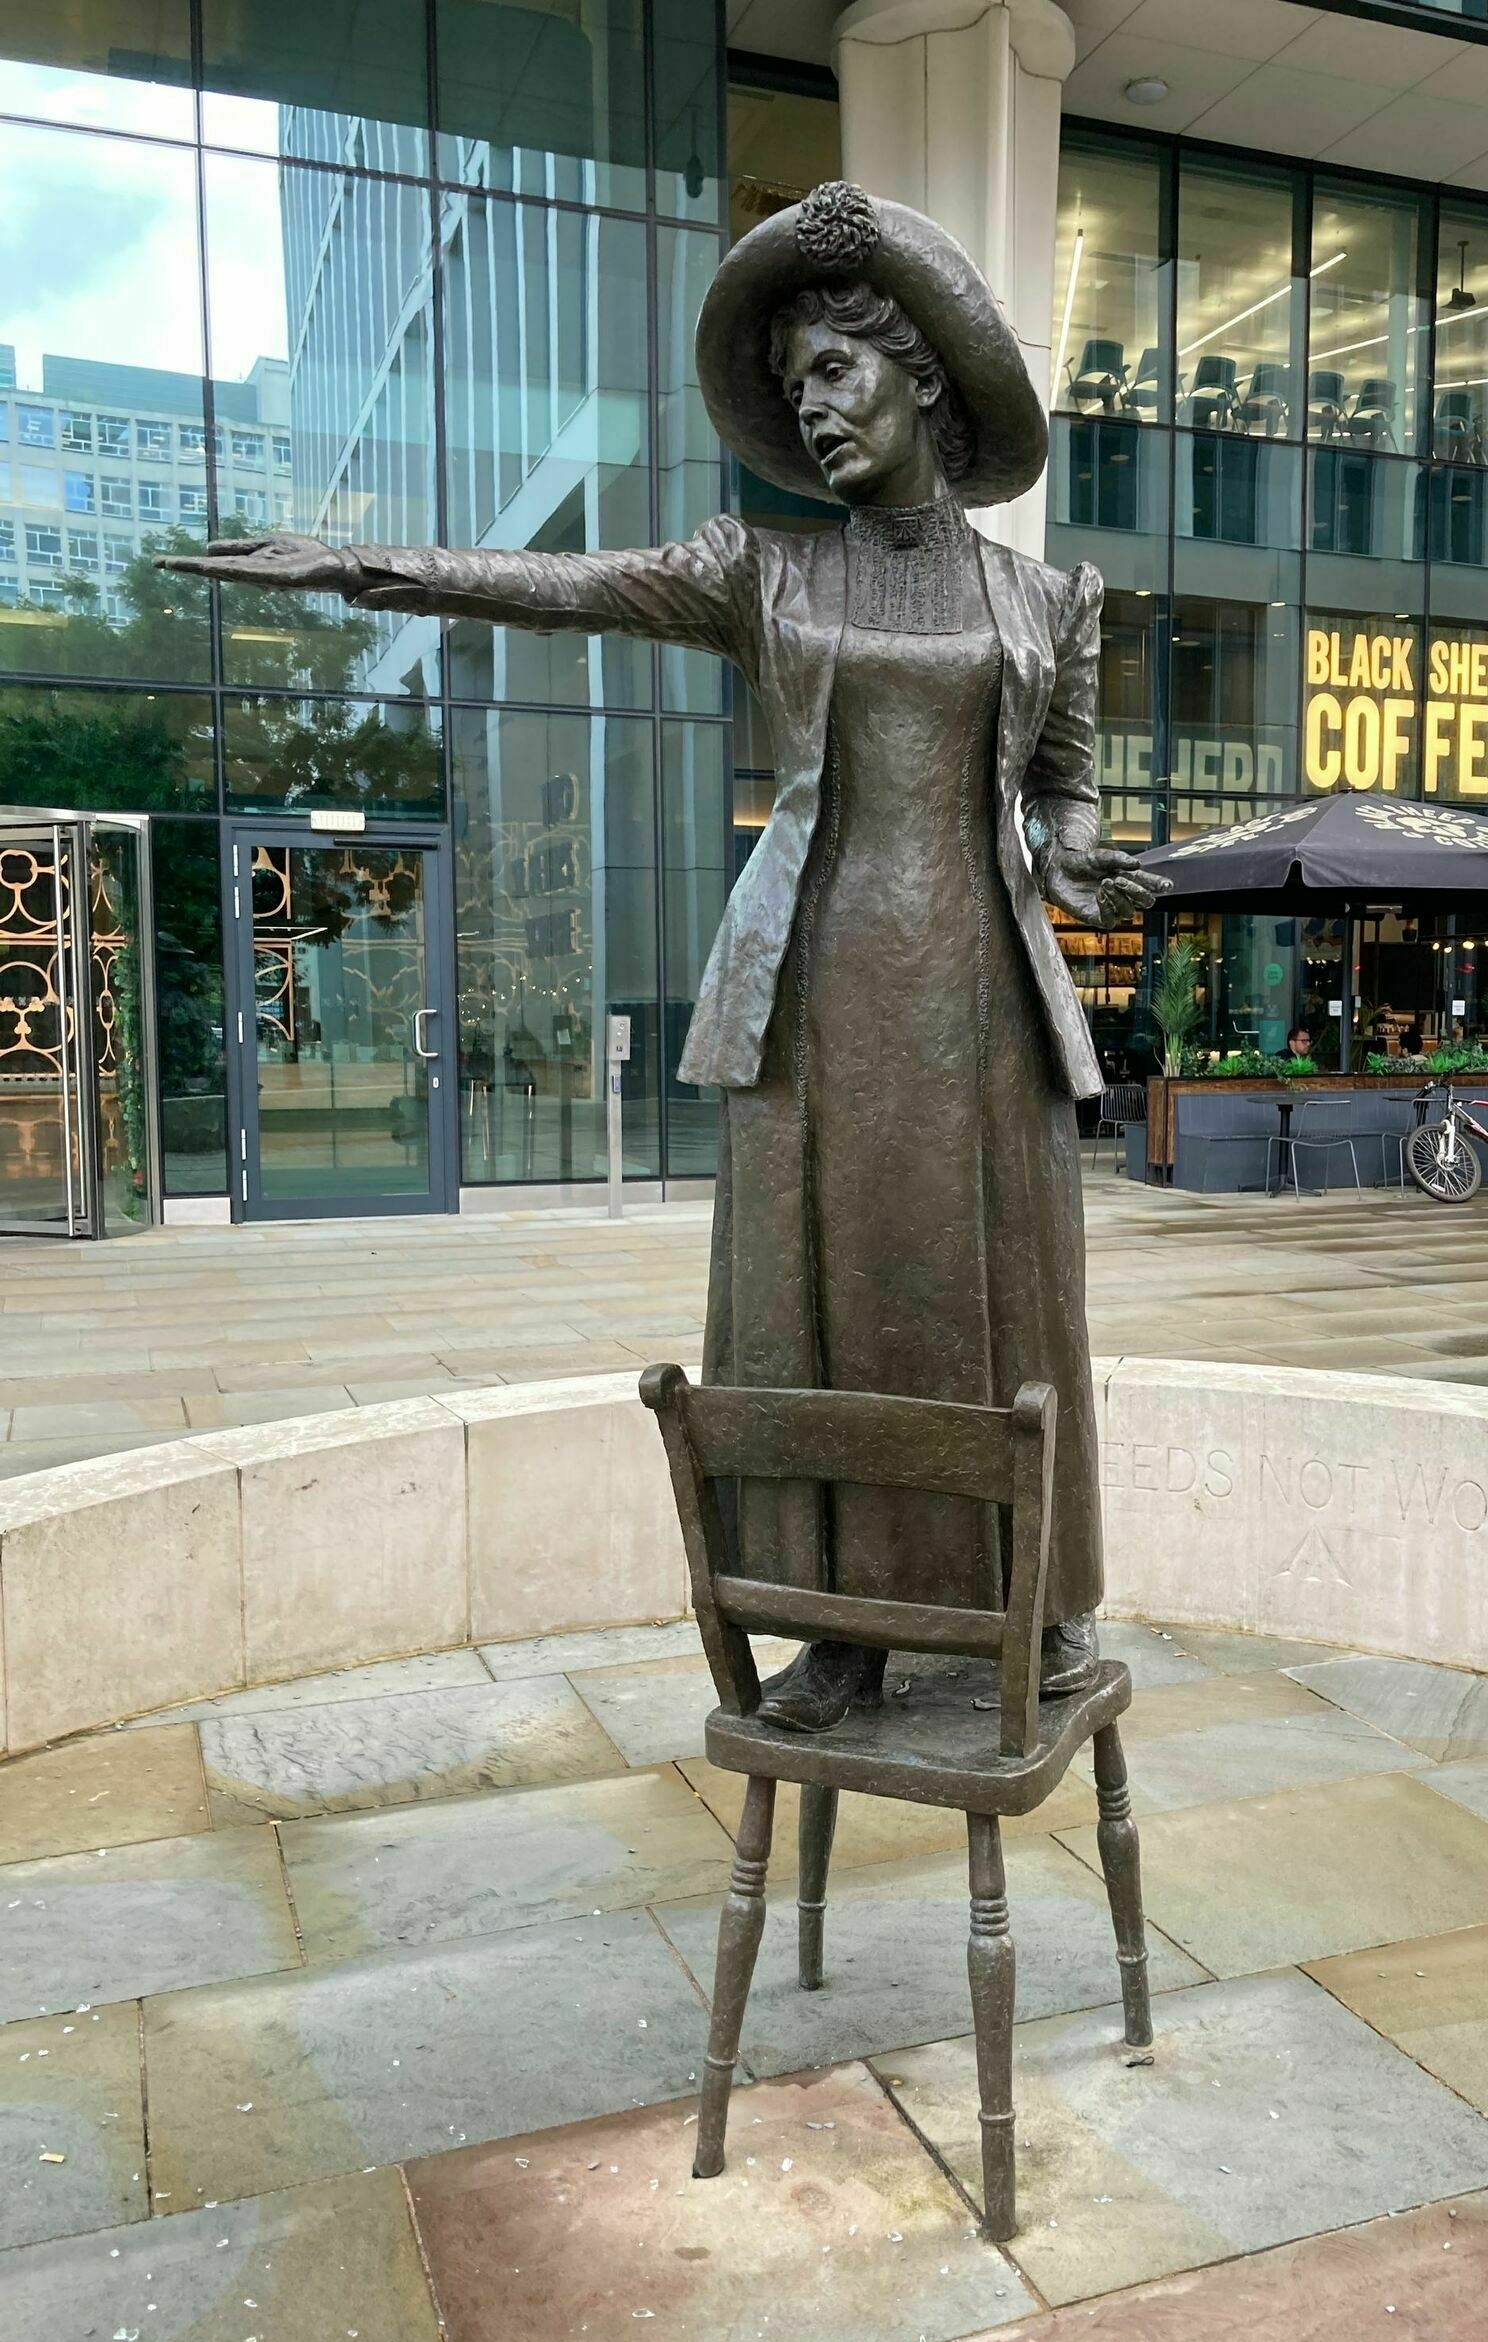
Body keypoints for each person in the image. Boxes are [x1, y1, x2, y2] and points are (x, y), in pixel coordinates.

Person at [158, 181, 1166, 1731]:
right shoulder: (765, 572)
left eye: (835, 370)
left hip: (983, 998)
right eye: (794, 386)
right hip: (815, 993)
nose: (812, 406)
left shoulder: (1050, 600)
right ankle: (834, 1625)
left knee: (1012, 1304)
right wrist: (361, 570)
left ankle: (1039, 1603)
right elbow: (567, 587)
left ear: (919, 377)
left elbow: (1062, 785)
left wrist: (1080, 851)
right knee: (814, 1305)